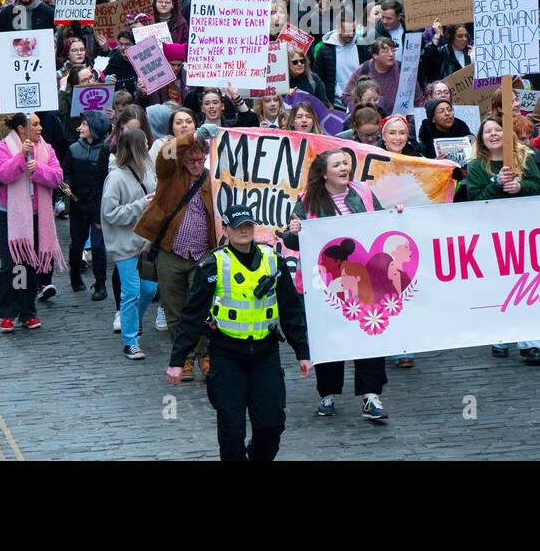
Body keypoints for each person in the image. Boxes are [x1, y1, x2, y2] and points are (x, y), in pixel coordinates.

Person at [166, 204, 311, 461]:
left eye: (248, 226)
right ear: (226, 230)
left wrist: (303, 352)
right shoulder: (213, 266)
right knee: (231, 431)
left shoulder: (272, 261)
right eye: (238, 227)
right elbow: (193, 316)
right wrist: (178, 360)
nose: (244, 231)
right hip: (226, 356)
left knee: (271, 424)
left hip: (265, 354)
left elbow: (291, 311)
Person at [288, 149, 399, 420]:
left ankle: (371, 396)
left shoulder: (362, 192)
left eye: (346, 164)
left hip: (364, 278)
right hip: (325, 282)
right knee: (330, 334)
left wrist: (397, 214)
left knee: (369, 333)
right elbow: (292, 242)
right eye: (336, 164)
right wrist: (293, 231)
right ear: (324, 172)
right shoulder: (307, 201)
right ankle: (328, 393)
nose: (343, 168)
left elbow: (381, 221)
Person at [133, 124, 217, 381]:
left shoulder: (213, 178)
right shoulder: (170, 174)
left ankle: (204, 354)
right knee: (174, 309)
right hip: (171, 252)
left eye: (200, 158)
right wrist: (193, 136)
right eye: (190, 158)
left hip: (203, 253)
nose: (196, 163)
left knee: (203, 307)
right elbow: (164, 154)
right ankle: (184, 358)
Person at [464, 116, 540, 363]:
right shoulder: (477, 166)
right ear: (482, 139)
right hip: (493, 234)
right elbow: (475, 200)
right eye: (487, 131)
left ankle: (530, 342)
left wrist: (521, 186)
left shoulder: (525, 158)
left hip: (524, 232)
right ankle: (499, 335)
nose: (493, 134)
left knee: (529, 285)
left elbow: (539, 186)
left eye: (498, 129)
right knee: (499, 286)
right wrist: (496, 184)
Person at [0, 113, 66, 332]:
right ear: (22, 128)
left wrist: (38, 169)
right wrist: (20, 158)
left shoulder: (46, 148)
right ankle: (8, 311)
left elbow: (57, 177)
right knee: (12, 265)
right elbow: (3, 174)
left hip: (35, 216)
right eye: (34, 124)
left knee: (28, 266)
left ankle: (27, 311)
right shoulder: (3, 147)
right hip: (6, 216)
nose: (40, 128)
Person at [99, 127, 159, 359]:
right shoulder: (115, 178)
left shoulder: (148, 171)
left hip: (146, 243)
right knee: (131, 292)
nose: (147, 146)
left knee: (149, 290)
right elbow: (110, 214)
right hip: (124, 245)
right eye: (144, 143)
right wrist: (141, 205)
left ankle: (131, 320)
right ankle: (130, 340)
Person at [63, 110, 111, 294]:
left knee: (98, 246)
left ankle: (100, 284)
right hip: (78, 203)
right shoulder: (74, 149)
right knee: (77, 244)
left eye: (85, 124)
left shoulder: (107, 150)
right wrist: (66, 185)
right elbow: (65, 171)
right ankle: (74, 274)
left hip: (99, 205)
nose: (81, 127)